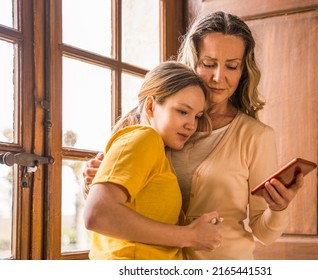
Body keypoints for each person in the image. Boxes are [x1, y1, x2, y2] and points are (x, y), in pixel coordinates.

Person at [83, 11, 304, 260]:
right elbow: (107, 207)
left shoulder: (255, 136)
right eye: (208, 64)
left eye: (232, 66)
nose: (219, 77)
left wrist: (278, 208)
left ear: (244, 70)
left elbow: (264, 233)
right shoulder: (153, 127)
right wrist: (94, 179)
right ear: (193, 60)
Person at [83, 61, 222, 260]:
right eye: (183, 111)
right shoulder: (144, 138)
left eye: (197, 116)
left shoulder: (153, 148)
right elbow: (97, 214)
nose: (191, 125)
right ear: (150, 106)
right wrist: (190, 236)